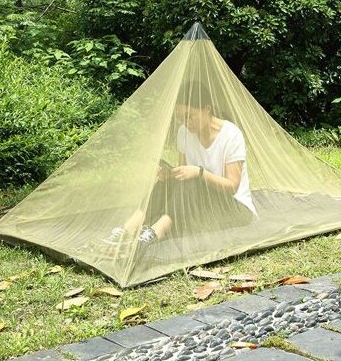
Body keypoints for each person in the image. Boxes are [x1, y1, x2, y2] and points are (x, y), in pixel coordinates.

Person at [103, 81, 256, 250]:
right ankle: (130, 226)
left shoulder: (231, 135)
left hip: (234, 208)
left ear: (207, 109)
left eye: (190, 116)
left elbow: (232, 187)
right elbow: (183, 176)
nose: (186, 123)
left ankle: (158, 229)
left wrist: (200, 172)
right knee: (168, 183)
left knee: (193, 180)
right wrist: (170, 174)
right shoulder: (184, 132)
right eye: (181, 118)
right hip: (199, 200)